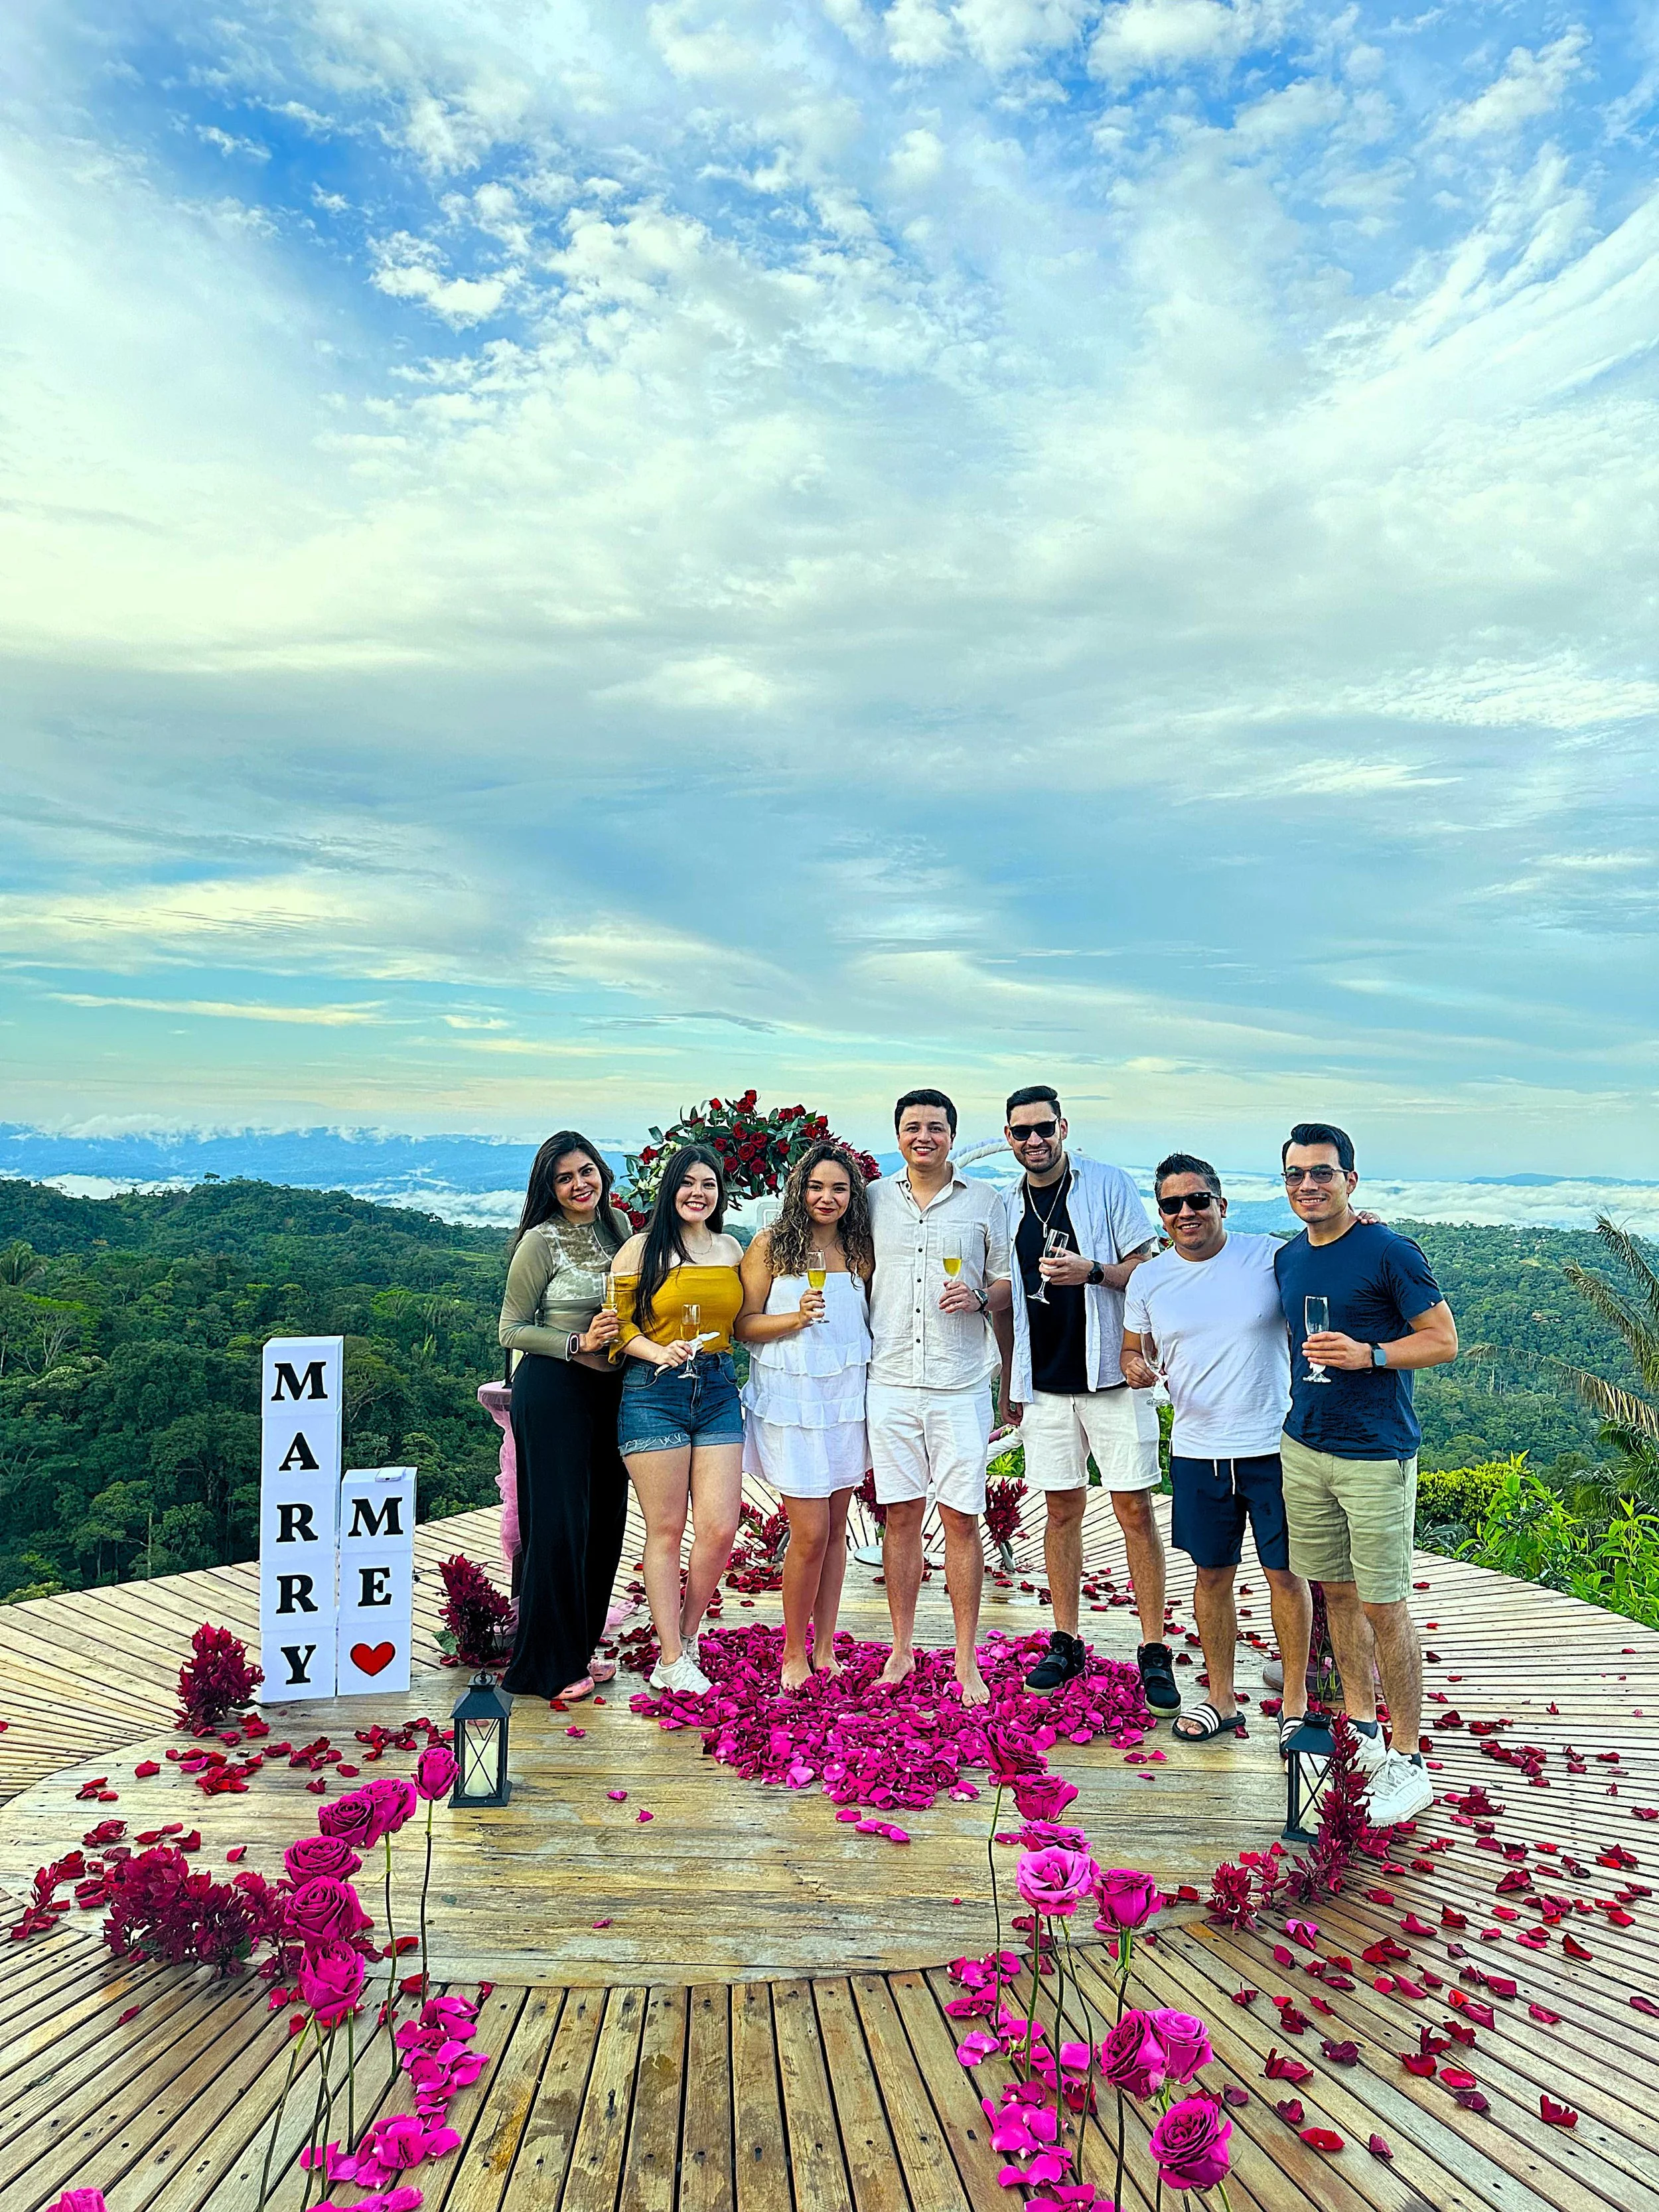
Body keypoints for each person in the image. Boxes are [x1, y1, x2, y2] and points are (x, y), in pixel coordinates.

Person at [1275, 1121, 1459, 1828]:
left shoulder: (1388, 1250)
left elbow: (1443, 1340)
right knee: (1337, 1596)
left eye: (1321, 1173)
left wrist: (1370, 1355)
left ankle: (1409, 1761)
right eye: (1295, 1175)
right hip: (1305, 1444)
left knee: (1384, 1605)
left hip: (1375, 1453)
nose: (1308, 1186)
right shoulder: (1289, 1257)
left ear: (1350, 1179)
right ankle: (1364, 1729)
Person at [1122, 1153, 1311, 1749]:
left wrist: (1369, 1225)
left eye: (1198, 1200)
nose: (1187, 1212)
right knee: (1211, 1574)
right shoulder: (1150, 1279)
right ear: (1162, 1215)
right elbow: (1133, 1349)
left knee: (1285, 1573)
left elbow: (1330, 1253)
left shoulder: (1270, 1255)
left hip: (1274, 1444)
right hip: (1197, 1448)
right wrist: (1136, 1366)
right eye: (1173, 1204)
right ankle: (1222, 1698)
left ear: (1221, 1204)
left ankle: (1298, 1702)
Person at [994, 1087, 1176, 1707]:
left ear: (1063, 1126)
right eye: (1021, 1132)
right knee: (1061, 1509)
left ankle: (1153, 1647)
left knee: (1133, 1509)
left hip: (1110, 1376)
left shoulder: (1107, 1184)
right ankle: (1066, 1638)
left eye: (1043, 1128)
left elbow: (1147, 1270)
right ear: (1010, 1137)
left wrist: (1092, 1271)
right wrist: (1009, 1380)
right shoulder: (1007, 1202)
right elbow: (1006, 1298)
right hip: (1044, 1383)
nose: (1033, 1141)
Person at [867, 1088, 1012, 1705]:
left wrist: (980, 1299)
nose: (922, 1136)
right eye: (911, 1127)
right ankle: (901, 1647)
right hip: (889, 1380)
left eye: (935, 1127)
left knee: (961, 1517)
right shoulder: (872, 1199)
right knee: (898, 1517)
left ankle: (964, 1657)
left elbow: (1007, 1281)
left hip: (960, 1385)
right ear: (898, 1135)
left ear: (953, 1134)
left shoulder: (987, 1201)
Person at [496, 1132, 632, 1702]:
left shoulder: (619, 1226)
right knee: (559, 1525)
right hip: (554, 1389)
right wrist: (575, 1341)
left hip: (613, 1389)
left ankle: (577, 1645)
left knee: (604, 1521)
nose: (580, 1185)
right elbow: (510, 1328)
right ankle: (545, 1667)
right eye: (565, 1178)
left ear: (602, 1172)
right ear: (550, 1188)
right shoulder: (539, 1241)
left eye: (587, 1172)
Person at [736, 1142, 875, 1690]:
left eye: (838, 1187)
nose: (827, 1197)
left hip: (844, 1403)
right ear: (799, 1188)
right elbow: (742, 1325)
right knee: (811, 1531)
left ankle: (824, 1646)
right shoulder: (770, 1246)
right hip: (792, 1404)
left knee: (836, 1529)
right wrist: (793, 1318)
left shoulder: (859, 1249)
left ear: (852, 1195)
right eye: (817, 1186)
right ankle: (793, 1649)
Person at [611, 1145, 747, 1696]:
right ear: (669, 1189)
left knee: (719, 1527)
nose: (699, 1192)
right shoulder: (640, 1249)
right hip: (654, 1391)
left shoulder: (731, 1247)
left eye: (709, 1184)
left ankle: (685, 1636)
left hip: (716, 1386)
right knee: (666, 1529)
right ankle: (670, 1657)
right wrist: (654, 1351)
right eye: (688, 1182)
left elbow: (744, 1317)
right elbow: (617, 1326)